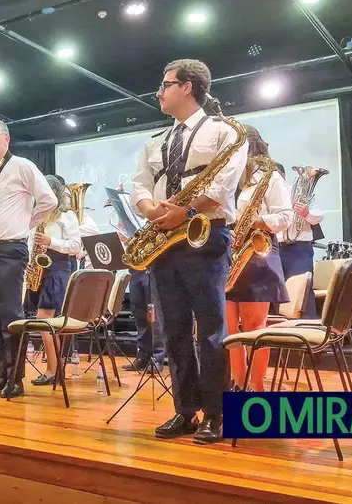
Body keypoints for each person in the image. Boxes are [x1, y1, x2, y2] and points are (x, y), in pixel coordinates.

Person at [130, 59, 248, 444]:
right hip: (163, 240)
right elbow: (139, 185)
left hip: (204, 235)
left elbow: (225, 184)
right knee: (173, 330)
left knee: (212, 330)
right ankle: (185, 411)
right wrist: (150, 209)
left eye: (166, 85)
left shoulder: (225, 132)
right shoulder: (155, 142)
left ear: (188, 87)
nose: (159, 92)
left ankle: (216, 413)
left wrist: (188, 209)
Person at [0, 118, 57, 399]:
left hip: (9, 251)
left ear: (7, 139)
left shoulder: (23, 166)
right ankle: (0, 373)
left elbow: (49, 201)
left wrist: (24, 224)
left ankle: (16, 377)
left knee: (11, 317)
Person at [225, 125, 293, 392]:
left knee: (255, 327)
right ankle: (238, 385)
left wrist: (256, 220)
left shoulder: (270, 177)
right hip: (229, 252)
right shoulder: (228, 178)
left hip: (258, 253)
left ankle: (257, 387)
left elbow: (286, 217)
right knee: (231, 331)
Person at [26, 175, 82, 386]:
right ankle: (55, 367)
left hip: (58, 268)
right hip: (40, 270)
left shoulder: (66, 216)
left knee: (44, 318)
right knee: (45, 321)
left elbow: (76, 246)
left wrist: (51, 241)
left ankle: (53, 369)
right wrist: (30, 264)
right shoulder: (36, 217)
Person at [277, 165, 324, 318]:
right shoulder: (269, 196)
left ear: (282, 176)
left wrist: (306, 213)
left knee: (303, 293)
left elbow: (319, 215)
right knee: (278, 294)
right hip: (276, 248)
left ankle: (309, 334)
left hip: (299, 249)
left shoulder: (300, 193)